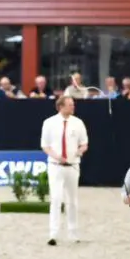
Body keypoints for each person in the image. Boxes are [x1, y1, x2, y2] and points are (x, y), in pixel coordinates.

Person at [40, 95, 89, 245]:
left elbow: (84, 143)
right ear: (61, 106)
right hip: (55, 166)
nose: (73, 107)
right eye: (70, 105)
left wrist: (80, 151)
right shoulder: (49, 123)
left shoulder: (78, 123)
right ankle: (53, 233)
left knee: (72, 200)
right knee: (55, 199)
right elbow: (45, 145)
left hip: (73, 166)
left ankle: (73, 232)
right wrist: (56, 156)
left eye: (73, 104)